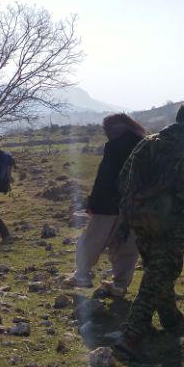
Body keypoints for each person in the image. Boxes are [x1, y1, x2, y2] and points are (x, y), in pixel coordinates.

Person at [114, 103, 184, 360]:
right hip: (173, 219)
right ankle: (132, 334)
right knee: (160, 271)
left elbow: (123, 181)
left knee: (158, 267)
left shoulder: (148, 143)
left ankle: (172, 319)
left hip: (139, 217)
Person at [68, 114, 146, 292]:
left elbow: (105, 178)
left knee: (92, 239)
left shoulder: (116, 146)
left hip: (108, 204)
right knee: (127, 244)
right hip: (136, 205)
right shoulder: (143, 143)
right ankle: (120, 284)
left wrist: (93, 203)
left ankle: (82, 275)